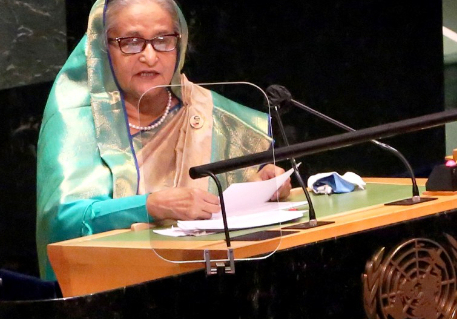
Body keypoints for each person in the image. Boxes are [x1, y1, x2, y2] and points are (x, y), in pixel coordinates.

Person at [36, 0, 291, 281]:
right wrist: (150, 206)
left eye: (162, 40)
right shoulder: (76, 119)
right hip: (111, 295)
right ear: (102, 48)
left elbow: (227, 212)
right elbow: (62, 221)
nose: (149, 56)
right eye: (131, 42)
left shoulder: (211, 113)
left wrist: (263, 185)